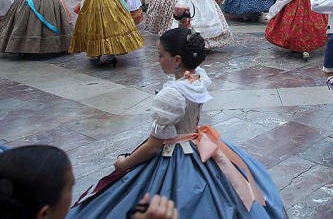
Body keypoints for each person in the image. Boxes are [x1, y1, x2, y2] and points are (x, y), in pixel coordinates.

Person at [69, 28, 284, 218]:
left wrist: (124, 164)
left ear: (177, 59)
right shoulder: (197, 77)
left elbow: (154, 146)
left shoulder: (172, 94)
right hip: (198, 141)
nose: (158, 60)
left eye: (161, 55)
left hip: (177, 154)